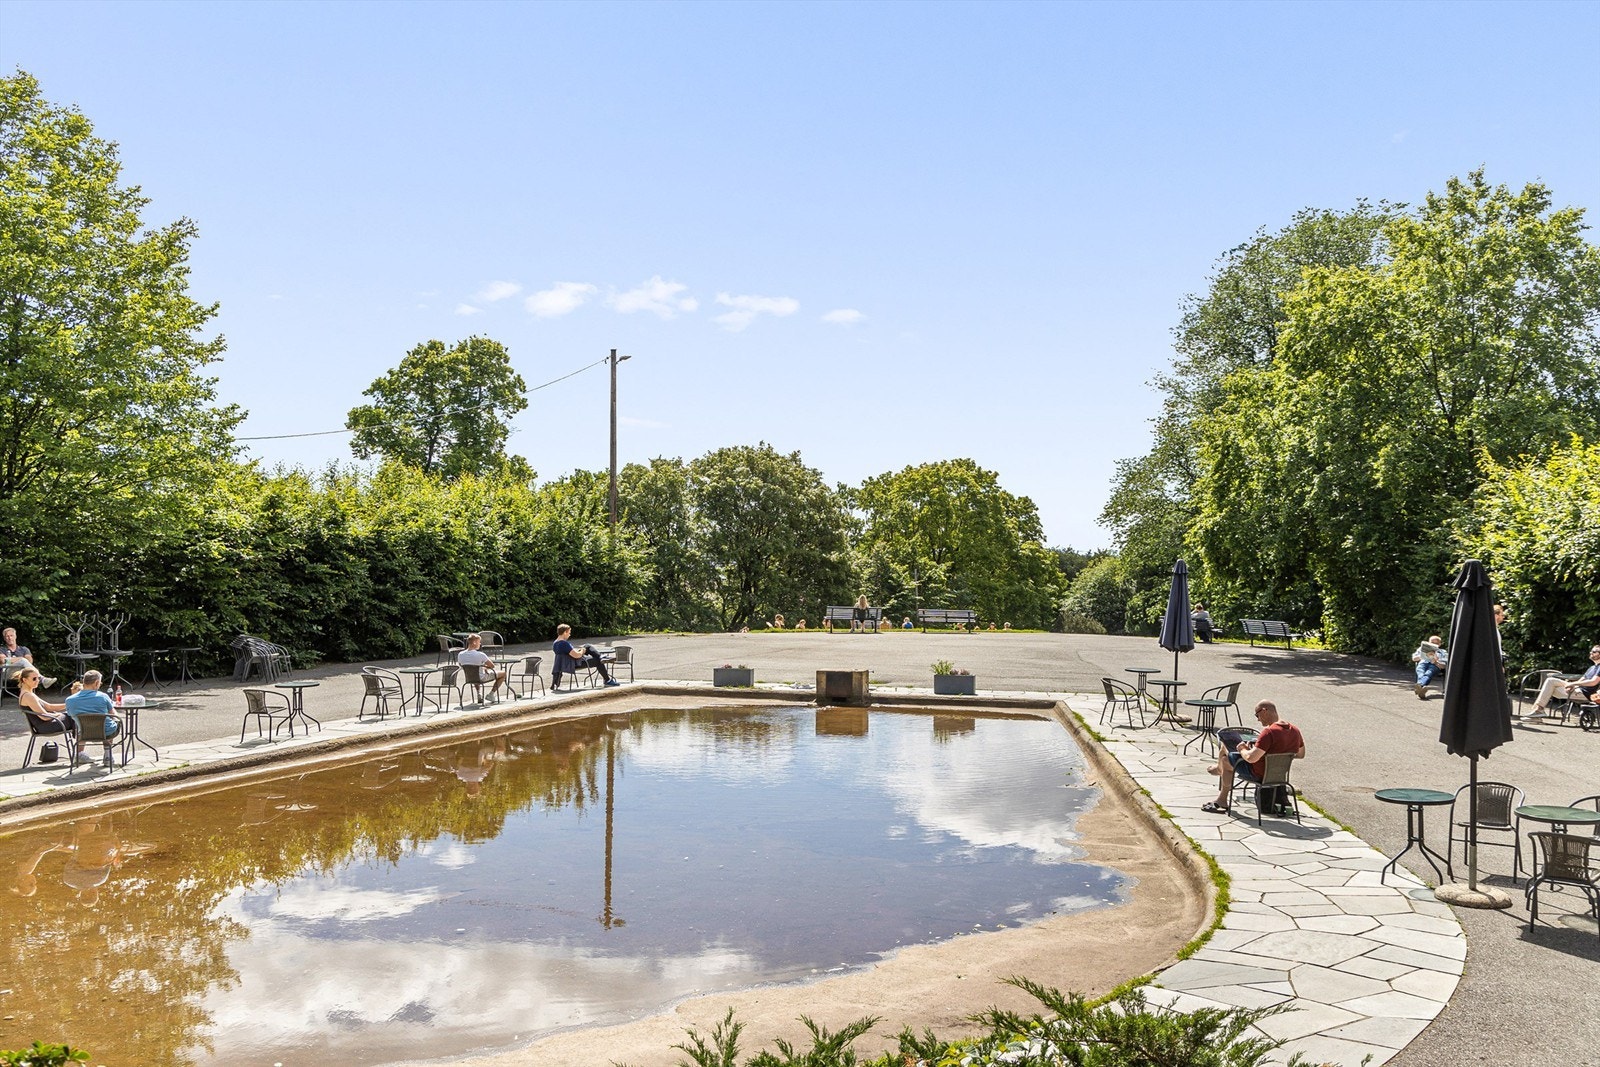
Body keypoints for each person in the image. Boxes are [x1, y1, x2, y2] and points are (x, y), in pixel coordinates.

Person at [1203, 700, 1305, 814]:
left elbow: (1251, 759)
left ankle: (1221, 788)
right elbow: (1301, 754)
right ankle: (1219, 775)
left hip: (1259, 774)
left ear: (1265, 711)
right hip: (1279, 776)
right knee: (1227, 758)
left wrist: (1242, 749)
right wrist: (1279, 753)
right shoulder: (1295, 730)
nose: (1258, 719)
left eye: (1257, 715)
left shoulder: (1269, 732)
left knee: (1225, 754)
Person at [1521, 644, 1600, 719]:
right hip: (1577, 690)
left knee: (1550, 686)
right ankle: (1537, 712)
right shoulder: (1592, 668)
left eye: (1594, 651)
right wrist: (1572, 686)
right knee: (1550, 681)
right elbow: (1581, 680)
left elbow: (1593, 682)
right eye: (1591, 651)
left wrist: (1572, 684)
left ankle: (1538, 711)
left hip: (1585, 693)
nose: (1591, 653)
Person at [16, 667, 76, 745]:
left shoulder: (28, 693)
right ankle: (80, 749)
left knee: (73, 715)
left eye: (38, 678)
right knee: (75, 717)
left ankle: (79, 748)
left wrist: (69, 704)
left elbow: (49, 706)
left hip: (45, 725)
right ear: (24, 680)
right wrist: (57, 714)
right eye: (34, 679)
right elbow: (45, 717)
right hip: (45, 727)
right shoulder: (28, 696)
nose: (37, 681)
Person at [552, 623, 619, 687]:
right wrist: (582, 651)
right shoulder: (564, 644)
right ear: (565, 632)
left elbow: (569, 654)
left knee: (587, 646)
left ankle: (600, 656)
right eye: (569, 633)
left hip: (566, 663)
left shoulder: (555, 643)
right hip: (574, 664)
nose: (569, 635)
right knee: (598, 660)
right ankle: (607, 680)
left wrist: (582, 650)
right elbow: (577, 655)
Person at [64, 669, 120, 740]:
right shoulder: (103, 696)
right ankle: (107, 750)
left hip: (84, 733)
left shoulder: (69, 700)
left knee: (79, 724)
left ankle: (80, 751)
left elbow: (70, 715)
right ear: (96, 683)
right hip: (107, 733)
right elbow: (112, 714)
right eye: (100, 683)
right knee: (111, 721)